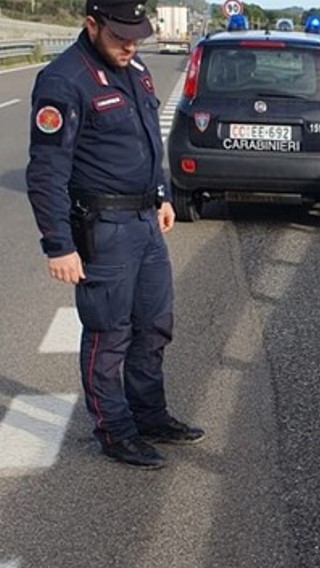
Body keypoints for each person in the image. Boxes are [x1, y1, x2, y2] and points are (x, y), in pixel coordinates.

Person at [26, 0, 204, 469]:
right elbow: (46, 171)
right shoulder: (64, 81)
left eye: (137, 33)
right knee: (110, 332)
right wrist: (59, 245)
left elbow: (147, 138)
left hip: (145, 222)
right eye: (120, 34)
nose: (131, 43)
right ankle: (115, 429)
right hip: (103, 228)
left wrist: (162, 193)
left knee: (154, 325)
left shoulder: (135, 66)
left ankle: (149, 415)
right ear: (91, 25)